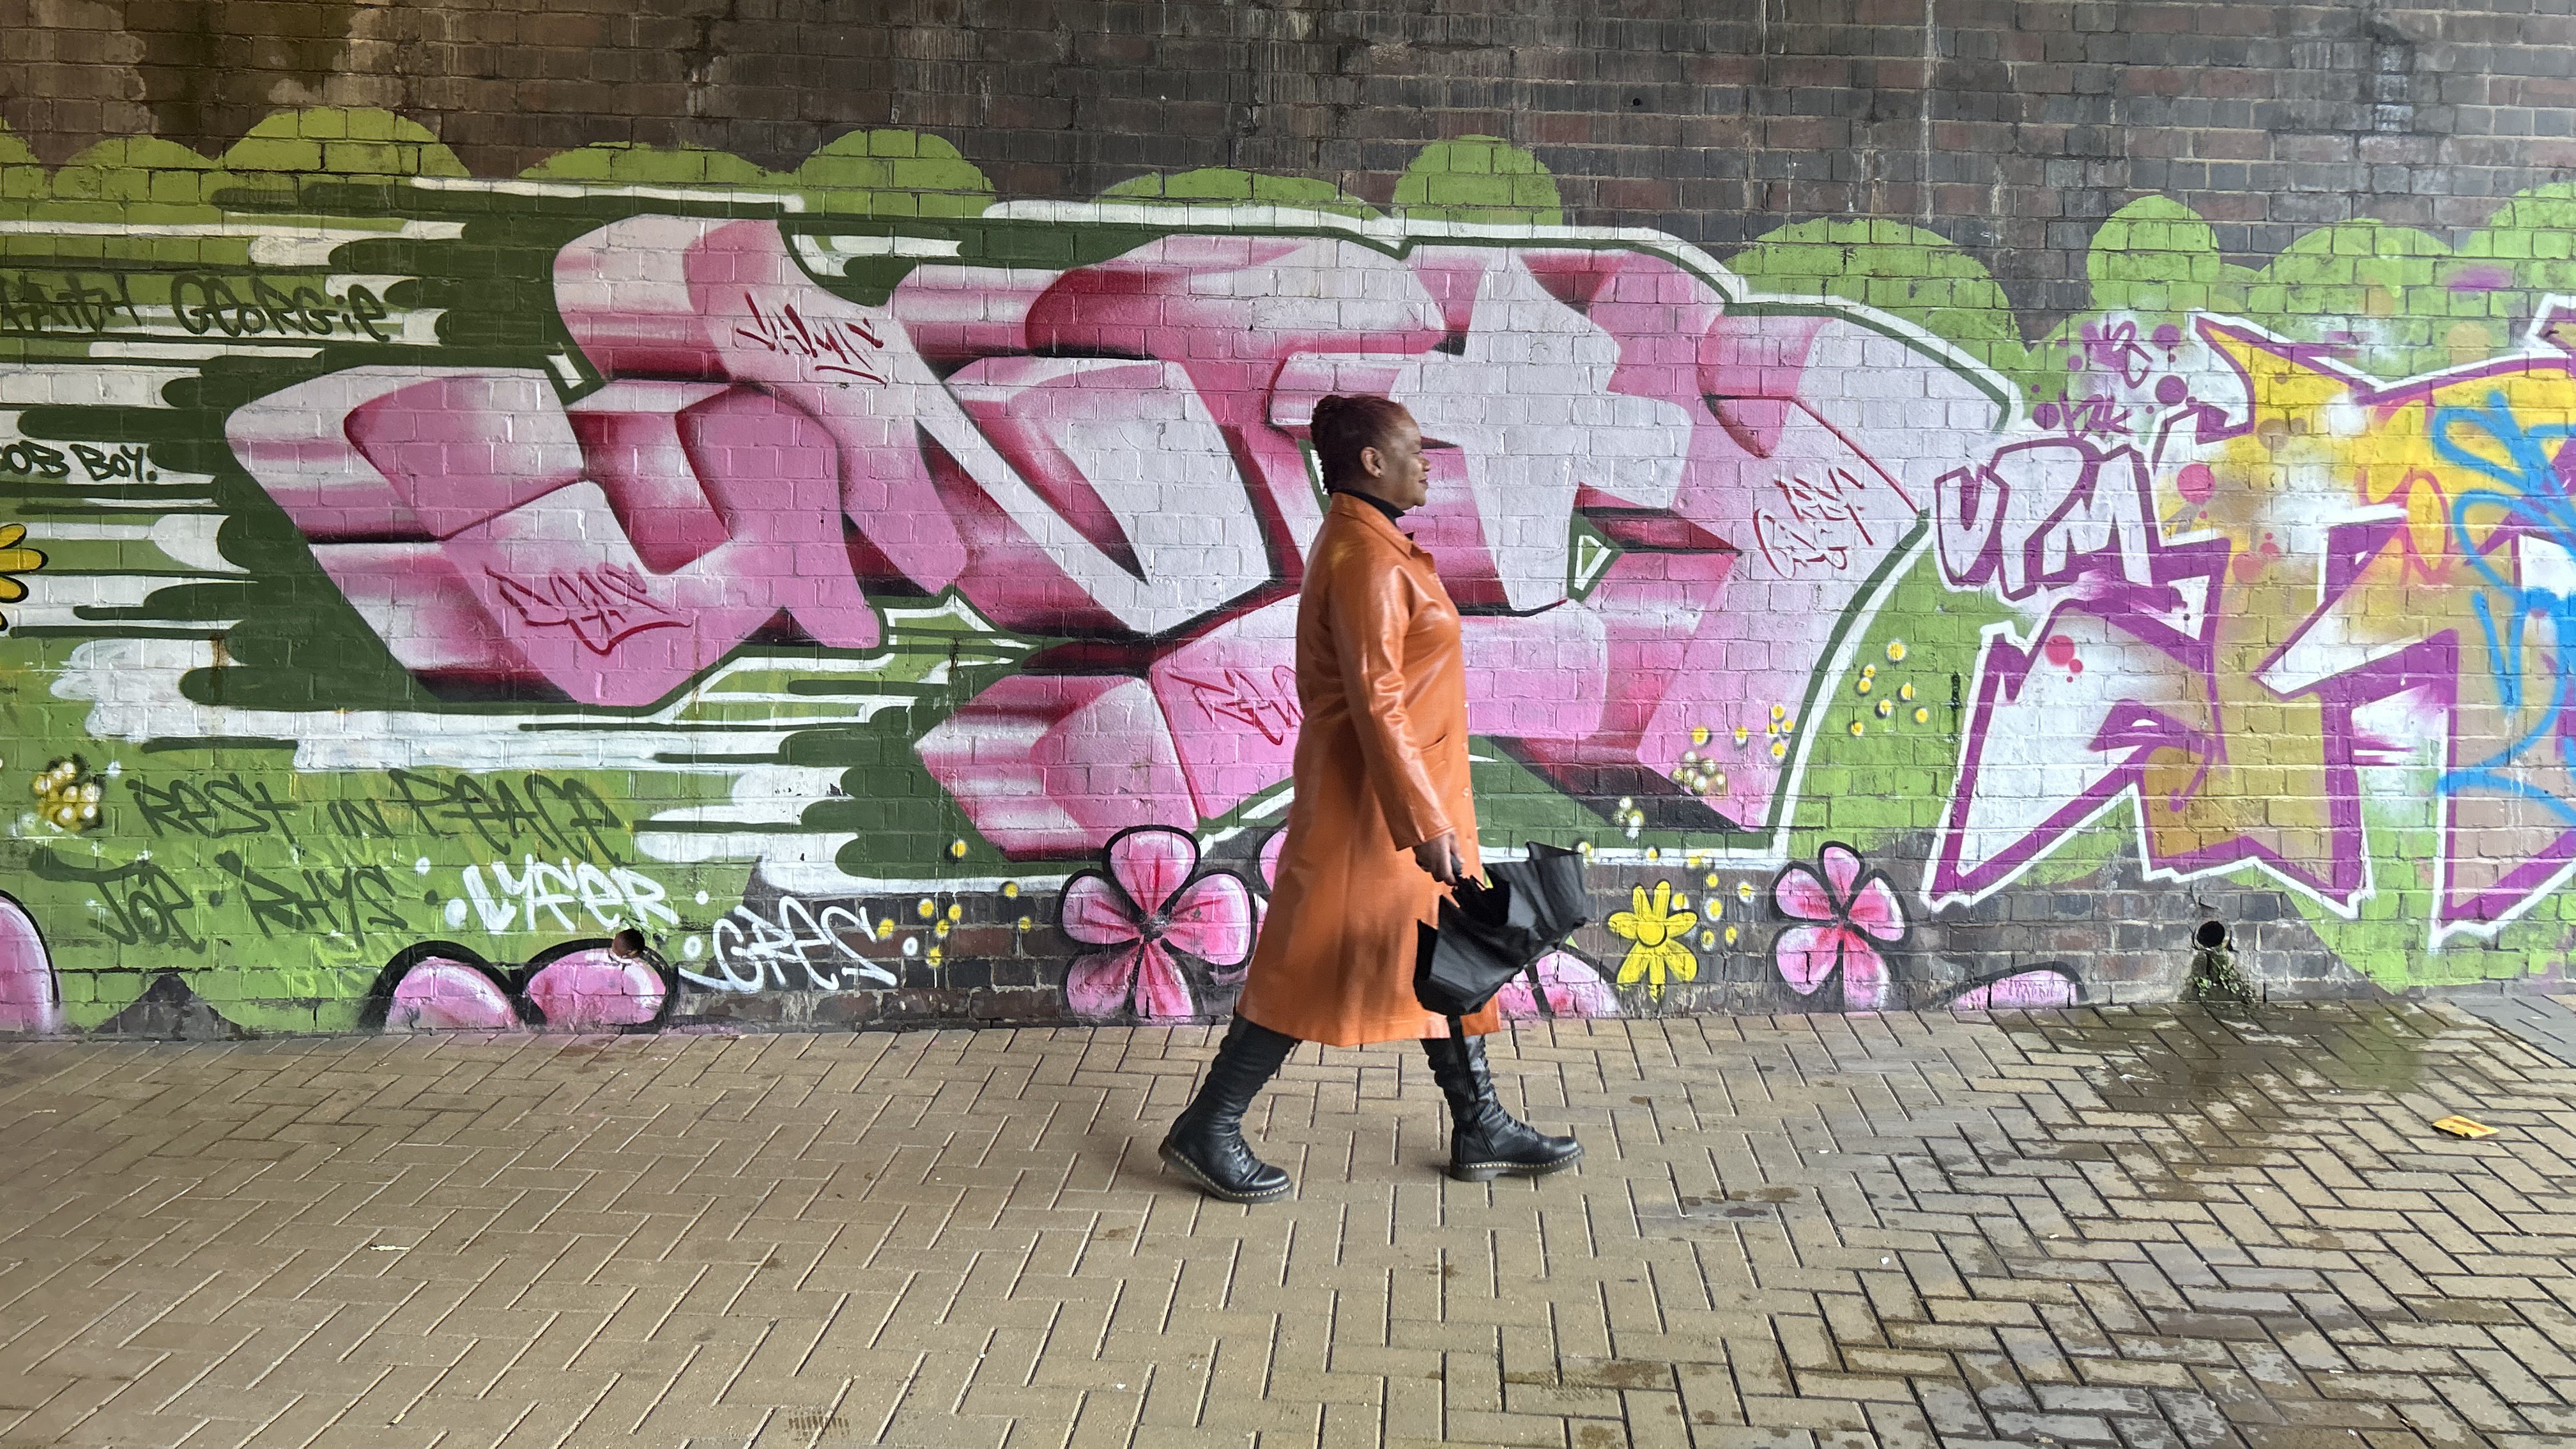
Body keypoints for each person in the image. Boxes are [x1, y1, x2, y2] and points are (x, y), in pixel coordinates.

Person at [1158, 395, 1583, 1204]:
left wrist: (1430, 814)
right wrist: (1424, 824)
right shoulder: (1367, 559)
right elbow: (1377, 697)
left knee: (1445, 952)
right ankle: (1209, 1126)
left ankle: (1480, 1123)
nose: (1430, 464)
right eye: (1416, 450)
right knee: (1308, 960)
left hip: (1400, 801)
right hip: (1376, 812)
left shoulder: (1376, 547)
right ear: (1372, 462)